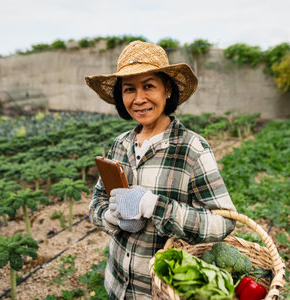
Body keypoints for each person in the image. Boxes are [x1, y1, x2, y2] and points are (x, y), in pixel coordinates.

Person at [85, 40, 237, 299]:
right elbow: (96, 202)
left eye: (148, 86)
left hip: (160, 291)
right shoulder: (120, 144)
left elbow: (224, 222)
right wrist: (110, 216)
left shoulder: (192, 149)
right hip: (117, 284)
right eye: (129, 89)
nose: (139, 99)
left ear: (167, 89)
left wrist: (153, 206)